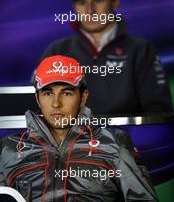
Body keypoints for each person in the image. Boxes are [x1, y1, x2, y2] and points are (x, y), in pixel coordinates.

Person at [0, 55, 158, 201]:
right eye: (48, 93)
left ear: (83, 97)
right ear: (37, 98)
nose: (56, 104)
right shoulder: (8, 148)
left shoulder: (115, 143)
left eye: (66, 93)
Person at [41, 0, 173, 117]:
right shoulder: (56, 51)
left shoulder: (141, 50)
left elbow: (159, 115)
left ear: (115, 2)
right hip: (71, 140)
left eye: (98, 0)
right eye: (82, 2)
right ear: (74, 6)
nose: (90, 10)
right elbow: (38, 111)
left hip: (129, 139)